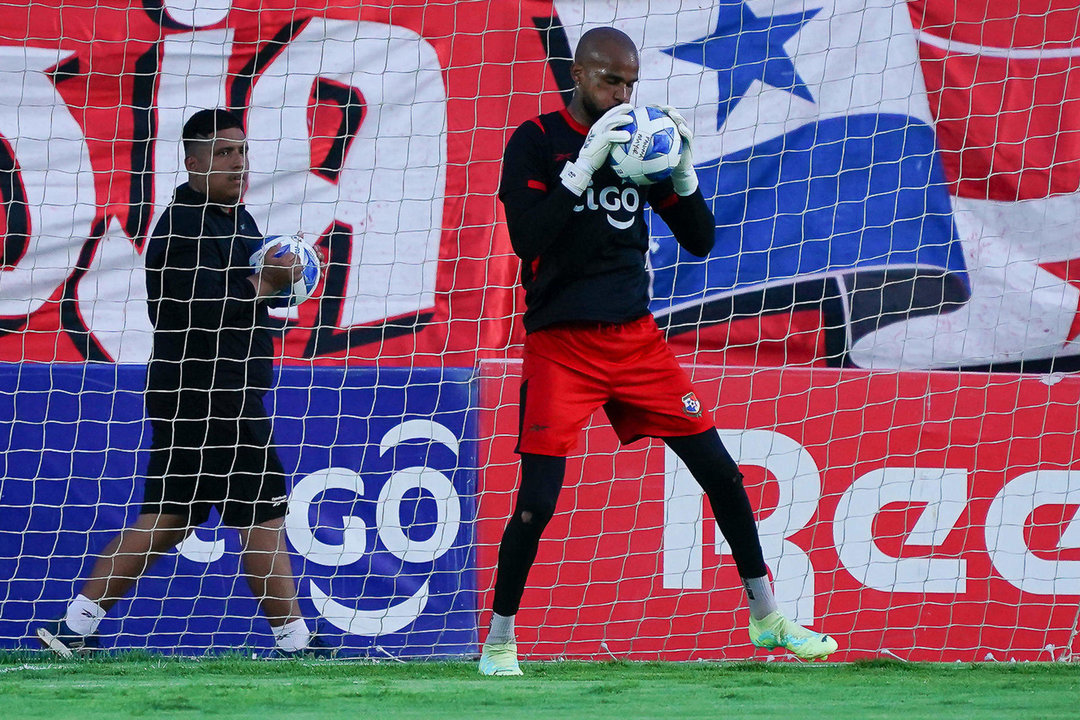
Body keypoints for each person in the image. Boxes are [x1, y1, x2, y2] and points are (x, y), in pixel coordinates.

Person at [478, 28, 839, 676]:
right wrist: (582, 167)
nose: (622, 93)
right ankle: (500, 641)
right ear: (579, 75)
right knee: (537, 502)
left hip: (637, 342)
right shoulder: (536, 140)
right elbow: (528, 238)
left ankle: (766, 617)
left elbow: (700, 239)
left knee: (722, 473)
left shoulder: (640, 144)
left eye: (630, 83)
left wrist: (683, 173)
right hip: (562, 345)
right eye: (610, 81)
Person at [36, 109, 325, 658]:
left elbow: (256, 296)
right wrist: (270, 280)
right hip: (212, 395)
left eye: (241, 152)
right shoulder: (181, 228)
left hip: (206, 394)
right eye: (222, 154)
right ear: (192, 163)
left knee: (170, 516)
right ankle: (295, 642)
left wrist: (293, 277)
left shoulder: (238, 220)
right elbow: (201, 309)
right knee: (262, 512)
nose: (237, 163)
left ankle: (75, 628)